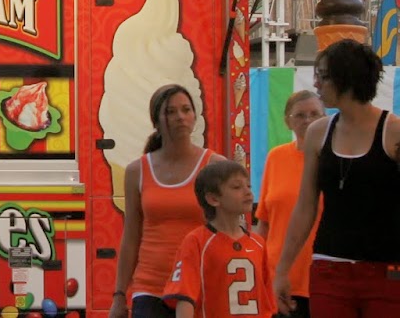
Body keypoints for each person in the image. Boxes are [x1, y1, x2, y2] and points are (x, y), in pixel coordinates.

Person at [273, 38, 400, 318]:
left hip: (386, 269)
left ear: (347, 78)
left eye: (323, 76)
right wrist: (283, 269)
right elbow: (305, 205)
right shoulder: (318, 133)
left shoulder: (393, 133)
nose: (316, 84)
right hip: (330, 266)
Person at [110, 84, 222, 318]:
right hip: (150, 287)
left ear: (194, 116)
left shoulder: (214, 166)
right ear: (156, 121)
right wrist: (119, 295)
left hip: (199, 284)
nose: (180, 117)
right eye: (170, 112)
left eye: (186, 109)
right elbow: (131, 236)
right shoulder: (137, 171)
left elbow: (228, 230)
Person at [163, 160, 274, 318]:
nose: (248, 192)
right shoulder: (196, 241)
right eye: (237, 187)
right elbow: (185, 296)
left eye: (248, 186)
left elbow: (267, 302)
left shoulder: (258, 243)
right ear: (213, 199)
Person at [253, 89, 323, 318]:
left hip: (322, 278)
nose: (308, 120)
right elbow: (263, 223)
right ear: (287, 121)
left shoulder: (333, 161)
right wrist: (261, 275)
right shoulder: (276, 157)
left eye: (315, 114)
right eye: (300, 115)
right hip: (280, 280)